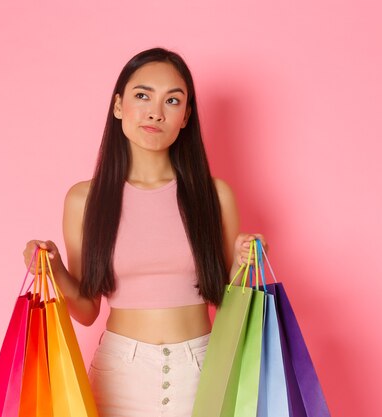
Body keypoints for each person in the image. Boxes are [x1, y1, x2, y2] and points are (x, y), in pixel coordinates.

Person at [22, 47, 266, 417]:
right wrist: (51, 268)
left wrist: (246, 264)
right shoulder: (83, 199)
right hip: (119, 375)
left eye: (172, 100)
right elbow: (87, 310)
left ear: (185, 117)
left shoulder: (215, 195)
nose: (156, 111)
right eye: (142, 96)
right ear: (118, 106)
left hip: (203, 370)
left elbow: (228, 302)